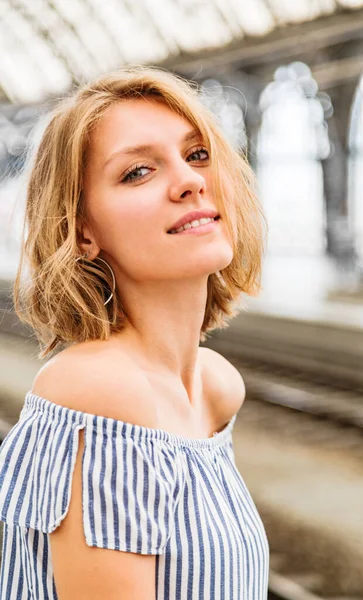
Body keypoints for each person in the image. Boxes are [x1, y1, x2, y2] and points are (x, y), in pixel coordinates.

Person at [0, 66, 269, 599]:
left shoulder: (214, 389)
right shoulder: (100, 392)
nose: (191, 180)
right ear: (83, 231)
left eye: (197, 155)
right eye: (138, 172)